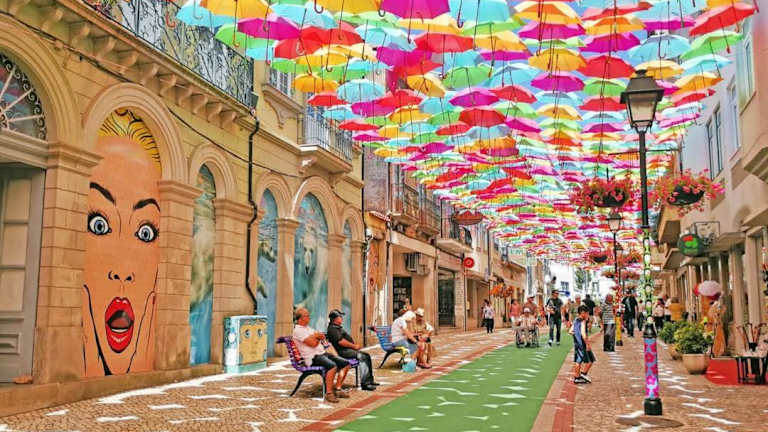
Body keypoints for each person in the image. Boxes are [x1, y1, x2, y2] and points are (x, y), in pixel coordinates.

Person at [293, 308, 350, 403]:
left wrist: (316, 337)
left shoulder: (308, 328)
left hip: (322, 354)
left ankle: (338, 389)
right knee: (332, 366)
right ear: (301, 318)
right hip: (312, 357)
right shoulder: (298, 331)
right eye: (307, 316)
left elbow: (321, 336)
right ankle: (329, 393)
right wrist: (316, 337)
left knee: (346, 364)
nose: (309, 317)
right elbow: (313, 343)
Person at [326, 309, 378, 391]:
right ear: (335, 319)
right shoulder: (332, 329)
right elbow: (341, 341)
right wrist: (354, 346)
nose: (342, 318)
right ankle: (365, 384)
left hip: (346, 350)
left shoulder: (337, 328)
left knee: (366, 356)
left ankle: (369, 381)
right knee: (363, 357)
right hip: (342, 352)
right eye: (340, 316)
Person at [570, 305, 595, 384]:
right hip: (582, 344)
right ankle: (581, 375)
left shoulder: (575, 320)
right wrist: (587, 344)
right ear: (583, 313)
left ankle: (578, 376)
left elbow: (570, 331)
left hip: (577, 344)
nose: (588, 315)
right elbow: (583, 334)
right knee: (590, 360)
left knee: (579, 361)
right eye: (587, 313)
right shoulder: (582, 322)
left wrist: (576, 336)